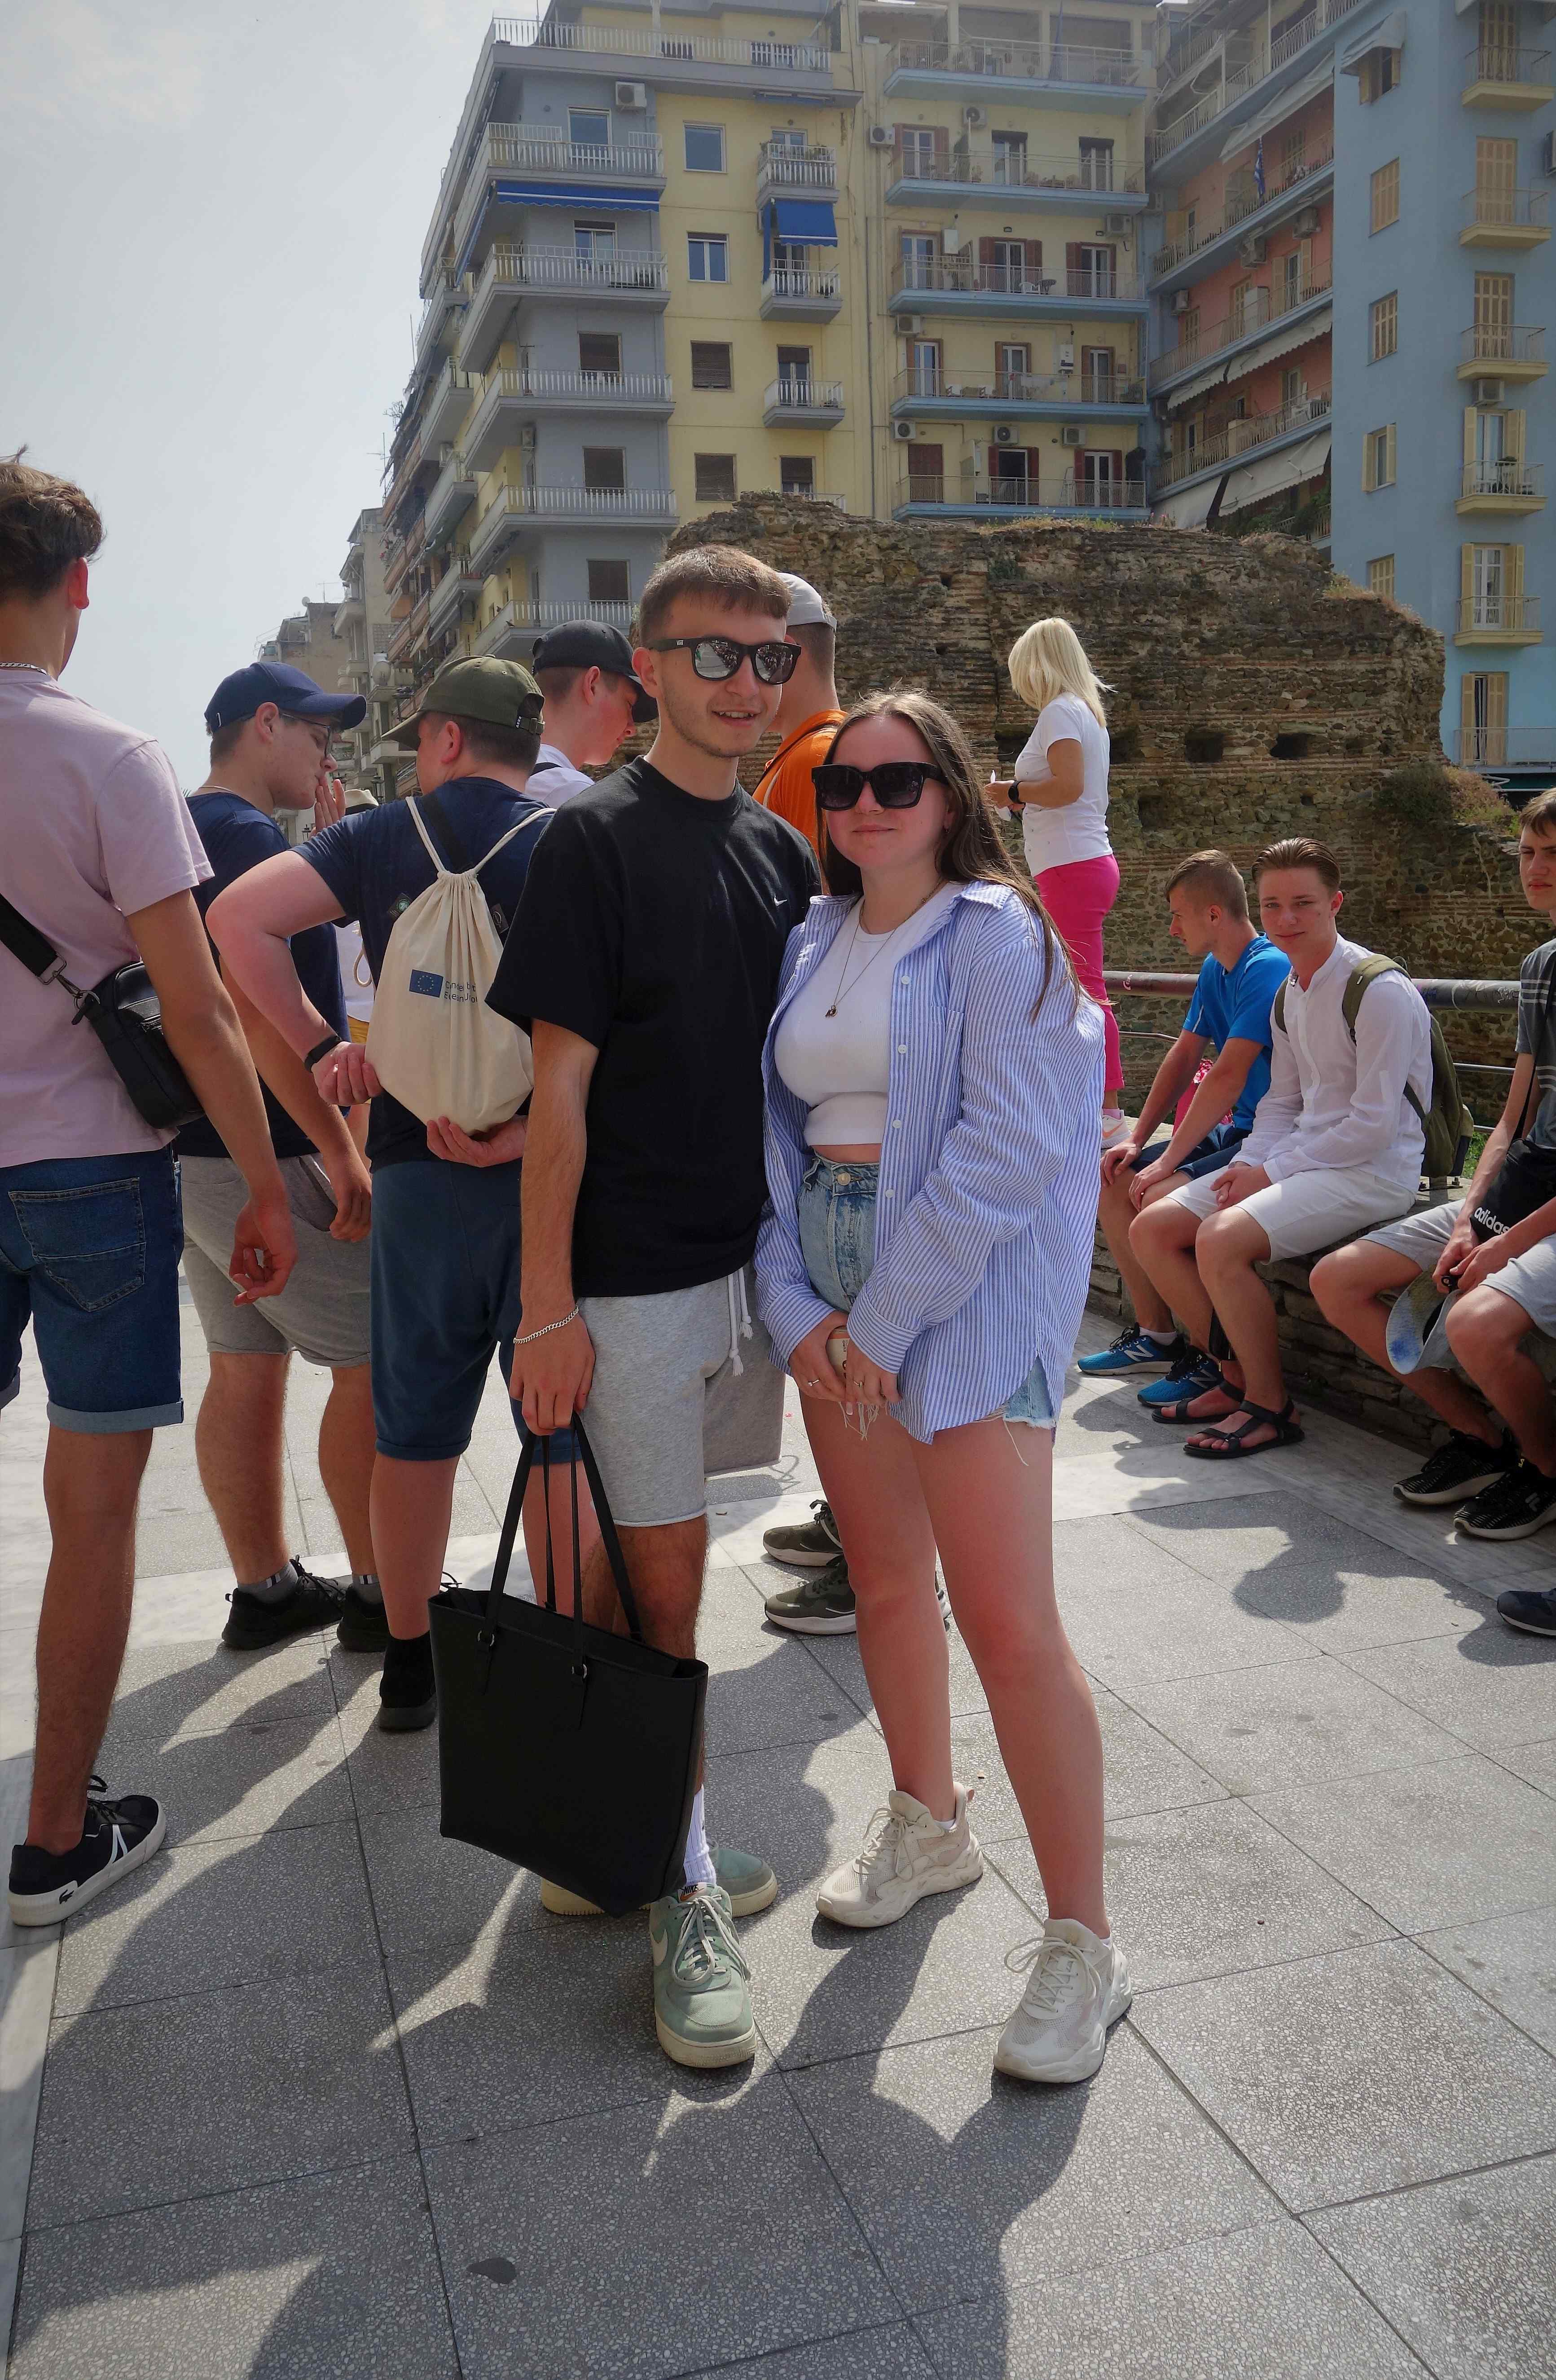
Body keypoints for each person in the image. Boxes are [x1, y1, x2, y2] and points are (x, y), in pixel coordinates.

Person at [756, 688, 1131, 2085]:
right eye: (841, 783)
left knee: (1009, 1620)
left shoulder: (996, 933)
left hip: (956, 1284)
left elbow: (1007, 1149)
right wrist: (797, 1308)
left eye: (896, 779)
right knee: (884, 1579)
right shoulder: (813, 933)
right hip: (834, 1269)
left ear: (954, 793)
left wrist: (885, 1316)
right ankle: (929, 1818)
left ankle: (1086, 1939)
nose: (864, 802)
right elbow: (776, 1140)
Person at [492, 544, 819, 2070]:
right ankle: (680, 1891)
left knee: (643, 1583)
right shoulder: (591, 839)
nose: (746, 682)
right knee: (666, 1593)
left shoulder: (779, 847)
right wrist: (544, 1306)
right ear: (647, 668)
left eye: (770, 656)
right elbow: (554, 1095)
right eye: (715, 654)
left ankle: (616, 1841)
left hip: (742, 1267)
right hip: (624, 1281)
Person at [1, 455, 296, 1927]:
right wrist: (264, 1183)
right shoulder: (110, 758)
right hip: (94, 1167)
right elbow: (197, 1007)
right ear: (78, 582)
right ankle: (55, 1843)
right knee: (95, 1505)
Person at [209, 657, 597, 1732]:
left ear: (445, 738)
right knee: (555, 1432)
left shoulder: (380, 838)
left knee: (414, 1434)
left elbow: (237, 922)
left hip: (416, 1170)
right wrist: (528, 1129)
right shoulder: (571, 840)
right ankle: (564, 1653)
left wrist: (319, 1044)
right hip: (538, 1175)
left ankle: (413, 1663)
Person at [178, 662, 387, 1656]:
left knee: (244, 1366)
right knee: (375, 1364)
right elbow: (254, 1016)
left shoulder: (184, 827)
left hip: (194, 1147)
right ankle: (384, 1591)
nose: (327, 753)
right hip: (274, 1144)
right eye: (316, 733)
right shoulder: (250, 839)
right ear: (265, 724)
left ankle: (265, 1590)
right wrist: (340, 1150)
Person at [1312, 793, 1556, 1616]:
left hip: (1543, 1213)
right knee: (1338, 1280)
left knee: (1477, 1323)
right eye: (1526, 851)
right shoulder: (1540, 966)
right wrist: (1465, 1219)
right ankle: (1480, 1440)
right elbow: (1511, 1120)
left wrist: (1500, 1245)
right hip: (1519, 1190)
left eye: (1551, 854)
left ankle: (1542, 1470)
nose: (1534, 868)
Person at [1130, 837, 1432, 1457]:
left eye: (1303, 904)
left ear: (1335, 903)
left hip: (1373, 1170)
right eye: (1272, 905)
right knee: (1151, 1229)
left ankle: (1269, 1406)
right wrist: (1247, 1163)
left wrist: (1269, 1172)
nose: (1285, 919)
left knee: (1219, 1238)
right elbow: (1281, 1104)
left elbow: (1374, 1126)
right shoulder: (1289, 992)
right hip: (1308, 1157)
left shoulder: (1379, 989)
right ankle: (1233, 1378)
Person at [1080, 850, 1289, 1402]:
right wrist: (1136, 1139)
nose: (1172, 929)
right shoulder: (1215, 967)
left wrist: (1168, 1161)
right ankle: (1157, 1336)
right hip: (1239, 1128)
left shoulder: (1267, 967)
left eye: (1178, 915)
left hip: (1272, 1137)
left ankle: (1217, 1360)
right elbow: (1184, 1055)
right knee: (1113, 1179)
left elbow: (1226, 1075)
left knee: (1153, 1199)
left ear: (1214, 914)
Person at [752, 572, 856, 1624]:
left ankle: (872, 1547)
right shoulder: (814, 759)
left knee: (846, 1343)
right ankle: (855, 1522)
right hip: (826, 1101)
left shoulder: (816, 765)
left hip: (836, 1111)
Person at [989, 617, 1125, 1139]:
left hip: (1071, 865)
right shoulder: (1085, 713)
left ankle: (1106, 1107)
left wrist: (1011, 793)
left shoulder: (1060, 712)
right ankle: (1093, 1099)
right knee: (1075, 984)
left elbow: (1067, 787)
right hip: (1080, 861)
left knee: (1083, 989)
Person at [749, 573, 844, 855]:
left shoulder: (815, 757)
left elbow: (819, 882)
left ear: (781, 658)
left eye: (749, 656)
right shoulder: (814, 750)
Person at [524, 620, 655, 805]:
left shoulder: (501, 774)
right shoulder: (571, 793)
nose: (631, 729)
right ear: (592, 686)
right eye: (628, 704)